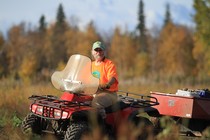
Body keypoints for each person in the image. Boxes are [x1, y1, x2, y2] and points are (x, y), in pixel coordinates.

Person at [91, 41, 119, 119]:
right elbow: (83, 76)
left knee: (97, 103)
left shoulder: (109, 64)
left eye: (101, 50)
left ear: (104, 51)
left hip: (108, 93)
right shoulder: (90, 65)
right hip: (92, 92)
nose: (98, 52)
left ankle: (102, 125)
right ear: (92, 52)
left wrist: (107, 84)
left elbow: (113, 77)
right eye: (96, 50)